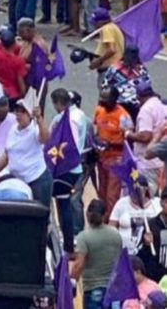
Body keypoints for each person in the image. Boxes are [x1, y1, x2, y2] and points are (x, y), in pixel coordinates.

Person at [48, 89, 87, 253]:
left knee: (60, 204)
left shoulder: (61, 120)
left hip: (63, 167)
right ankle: (68, 242)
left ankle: (65, 242)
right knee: (65, 202)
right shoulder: (81, 115)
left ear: (58, 103)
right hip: (76, 167)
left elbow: (51, 141)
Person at [0, 96, 52, 207]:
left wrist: (40, 118)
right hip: (18, 181)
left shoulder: (35, 129)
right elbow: (7, 155)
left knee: (40, 214)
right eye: (17, 110)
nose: (19, 114)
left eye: (23, 111)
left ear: (29, 114)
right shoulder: (12, 129)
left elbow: (45, 138)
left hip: (37, 179)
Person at [72, 199, 126, 309]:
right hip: (114, 288)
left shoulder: (83, 237)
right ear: (105, 215)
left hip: (93, 288)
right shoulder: (115, 234)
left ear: (87, 214)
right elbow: (120, 259)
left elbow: (79, 264)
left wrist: (72, 282)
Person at [94, 86, 133, 218]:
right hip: (101, 158)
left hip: (116, 160)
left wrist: (110, 144)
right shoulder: (99, 110)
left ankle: (112, 222)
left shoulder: (123, 116)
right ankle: (101, 220)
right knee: (102, 192)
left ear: (115, 99)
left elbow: (129, 141)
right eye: (101, 96)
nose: (102, 100)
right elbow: (97, 130)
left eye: (106, 98)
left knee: (112, 195)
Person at [110, 176, 160, 258]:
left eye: (138, 192)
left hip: (151, 255)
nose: (134, 195)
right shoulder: (121, 203)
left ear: (146, 190)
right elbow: (111, 228)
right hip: (124, 254)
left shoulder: (157, 205)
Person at [132, 81, 167, 192]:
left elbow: (145, 136)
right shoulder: (161, 105)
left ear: (139, 96)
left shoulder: (146, 110)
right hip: (160, 160)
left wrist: (129, 135)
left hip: (147, 164)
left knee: (147, 195)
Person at [102, 44, 151, 120]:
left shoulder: (141, 70)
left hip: (135, 105)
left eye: (133, 58)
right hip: (117, 104)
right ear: (124, 55)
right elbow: (105, 84)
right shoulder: (114, 68)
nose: (130, 60)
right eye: (129, 57)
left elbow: (147, 87)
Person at [0, 27, 28, 104]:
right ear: (14, 44)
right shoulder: (19, 61)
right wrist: (24, 96)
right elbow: (20, 81)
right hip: (13, 95)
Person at [88, 7, 125, 87]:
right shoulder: (113, 27)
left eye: (96, 22)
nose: (94, 25)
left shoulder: (106, 29)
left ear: (102, 21)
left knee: (106, 95)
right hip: (116, 68)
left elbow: (111, 49)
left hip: (109, 69)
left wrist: (99, 60)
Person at [144, 189, 167, 282]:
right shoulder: (150, 225)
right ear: (161, 202)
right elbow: (142, 255)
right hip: (156, 277)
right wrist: (146, 244)